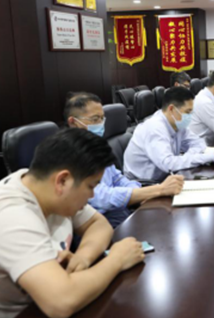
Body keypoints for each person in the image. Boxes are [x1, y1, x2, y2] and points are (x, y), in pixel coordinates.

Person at [0, 128, 147, 318]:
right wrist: (116, 260)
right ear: (63, 181)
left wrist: (83, 257)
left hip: (33, 313)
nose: (91, 196)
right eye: (91, 186)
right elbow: (61, 302)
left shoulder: (42, 186)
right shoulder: (11, 217)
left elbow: (98, 224)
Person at [64, 92, 183, 228]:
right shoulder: (67, 156)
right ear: (73, 122)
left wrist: (139, 195)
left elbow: (118, 179)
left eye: (102, 118)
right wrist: (157, 190)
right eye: (95, 119)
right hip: (95, 221)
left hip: (119, 210)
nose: (101, 124)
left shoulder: (95, 147)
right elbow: (101, 198)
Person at [124, 87, 214, 181]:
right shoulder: (155, 128)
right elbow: (168, 164)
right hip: (143, 185)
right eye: (188, 112)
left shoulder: (177, 124)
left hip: (166, 178)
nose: (190, 116)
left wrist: (190, 157)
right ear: (172, 109)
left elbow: (199, 144)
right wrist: (209, 156)